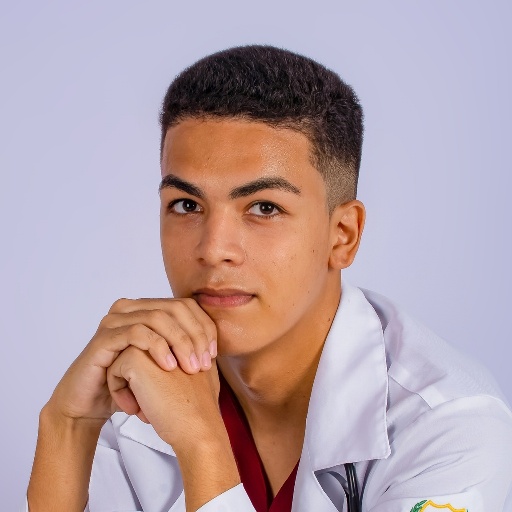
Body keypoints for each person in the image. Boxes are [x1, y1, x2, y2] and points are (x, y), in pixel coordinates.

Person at [25, 45, 512, 512]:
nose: (213, 249)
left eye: (264, 208)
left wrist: (203, 446)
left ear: (342, 235)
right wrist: (67, 424)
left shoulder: (451, 427)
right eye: (187, 205)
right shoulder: (135, 393)